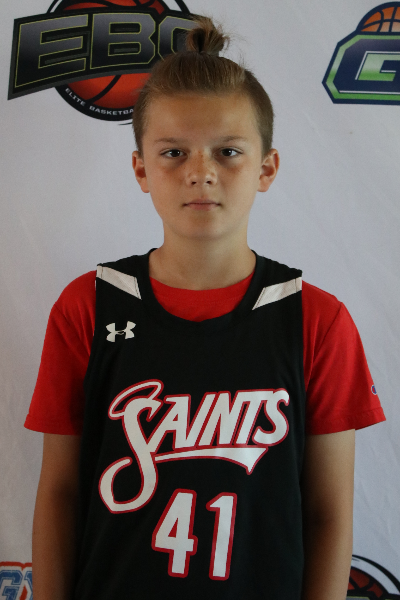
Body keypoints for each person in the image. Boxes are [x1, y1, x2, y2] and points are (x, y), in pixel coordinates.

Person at [26, 17, 385, 600]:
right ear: (141, 168)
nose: (200, 172)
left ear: (266, 168)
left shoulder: (316, 320)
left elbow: (327, 512)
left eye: (228, 151)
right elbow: (61, 493)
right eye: (173, 152)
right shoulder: (88, 306)